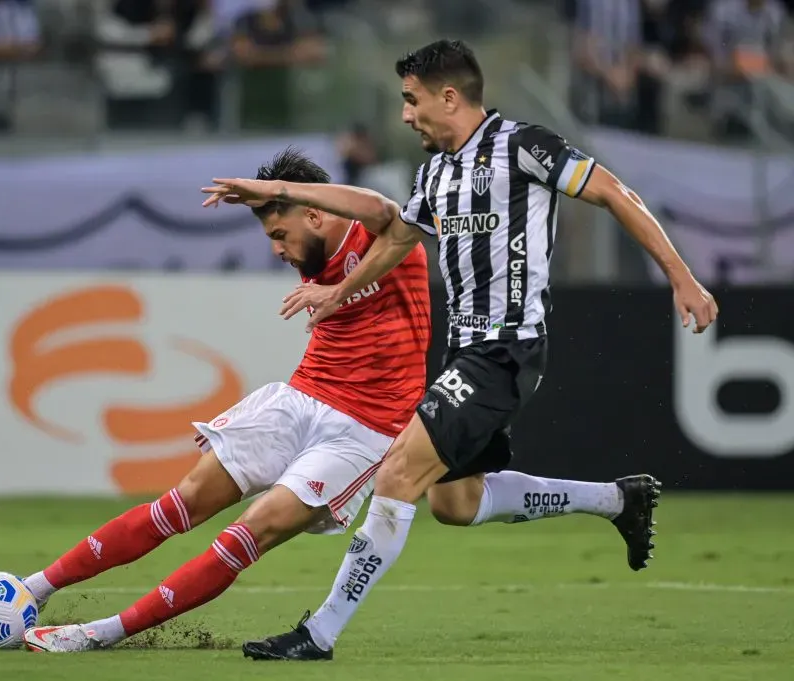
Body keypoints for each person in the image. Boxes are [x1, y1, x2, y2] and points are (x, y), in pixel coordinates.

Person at [201, 39, 718, 661]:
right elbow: (394, 234)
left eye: (411, 99)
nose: (405, 115)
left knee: (396, 473)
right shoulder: (435, 173)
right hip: (464, 353)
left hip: (506, 349)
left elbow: (615, 193)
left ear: (449, 97)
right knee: (455, 502)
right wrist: (338, 290)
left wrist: (682, 278)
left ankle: (320, 633)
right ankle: (618, 499)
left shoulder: (523, 146)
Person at [16, 147, 433, 653]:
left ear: (314, 214)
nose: (277, 250)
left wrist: (282, 200)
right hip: (301, 398)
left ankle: (97, 634)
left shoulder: (381, 232)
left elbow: (386, 211)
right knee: (180, 503)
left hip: (363, 429)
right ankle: (32, 590)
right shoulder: (314, 248)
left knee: (249, 531)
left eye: (279, 234)